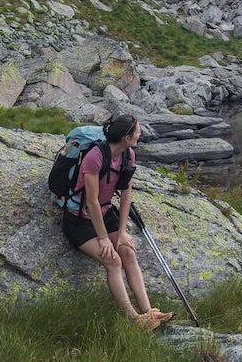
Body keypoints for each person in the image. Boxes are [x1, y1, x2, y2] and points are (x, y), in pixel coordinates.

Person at [61, 114, 174, 329]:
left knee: (128, 252)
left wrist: (121, 232)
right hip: (78, 220)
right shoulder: (94, 157)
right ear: (126, 137)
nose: (140, 134)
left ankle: (149, 312)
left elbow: (126, 194)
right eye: (137, 132)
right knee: (112, 260)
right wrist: (104, 238)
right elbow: (92, 202)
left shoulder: (128, 155)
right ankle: (134, 320)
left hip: (106, 214)